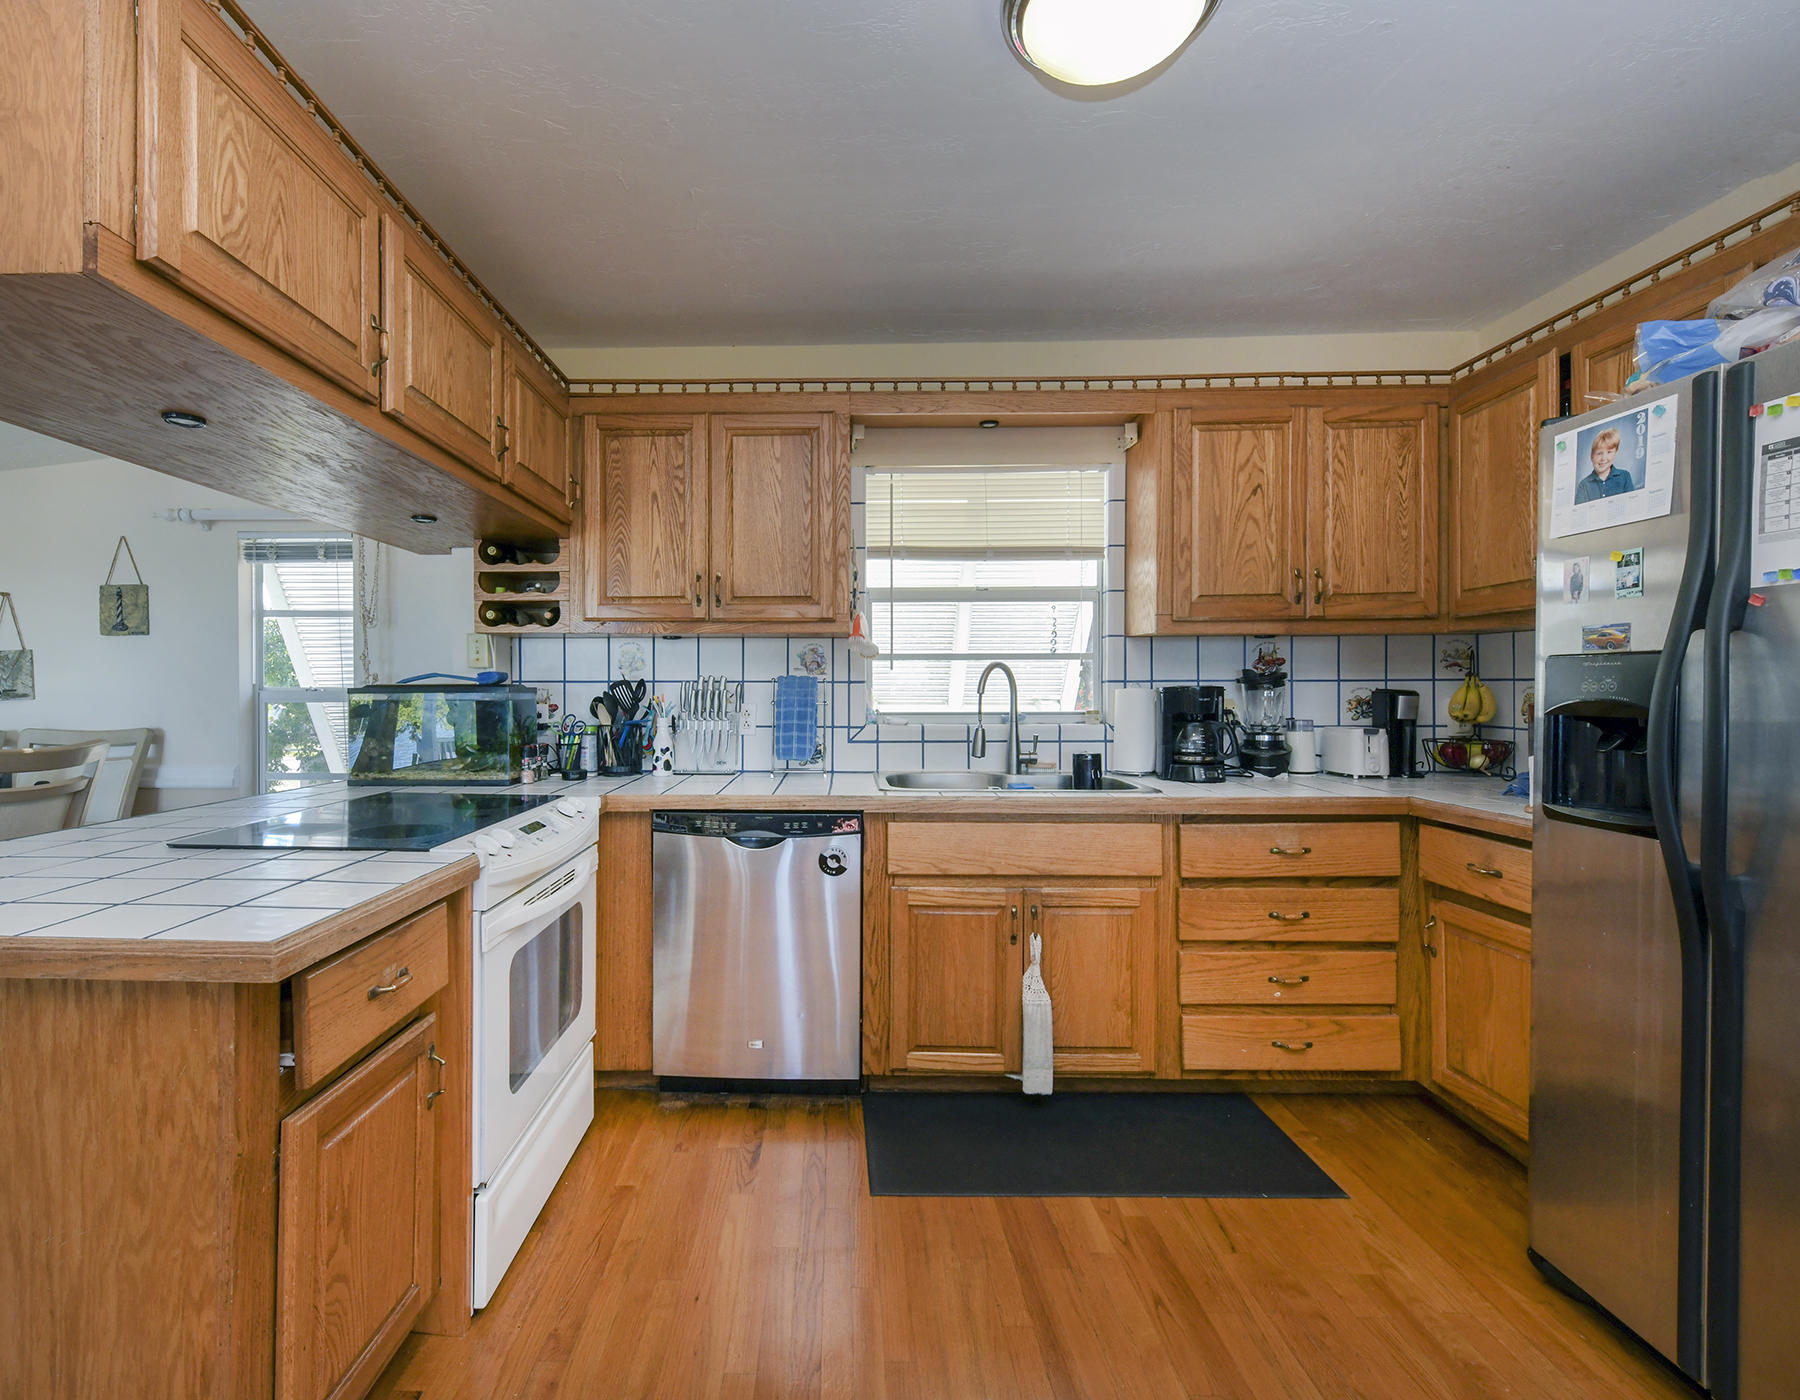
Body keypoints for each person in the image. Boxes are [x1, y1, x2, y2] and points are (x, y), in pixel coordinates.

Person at [1575, 426, 1636, 502]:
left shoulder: (1625, 476)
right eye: (1599, 453)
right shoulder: (1584, 485)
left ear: (1615, 453)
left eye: (1609, 452)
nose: (1603, 458)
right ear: (1592, 456)